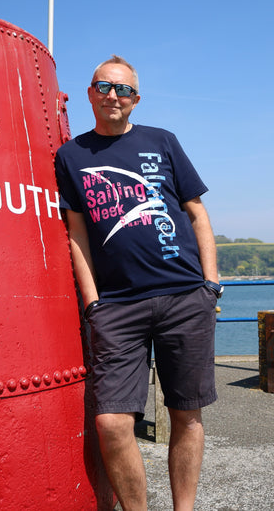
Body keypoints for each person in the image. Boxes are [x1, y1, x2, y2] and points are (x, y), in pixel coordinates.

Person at [54, 55, 222, 511]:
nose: (113, 96)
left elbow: (197, 214)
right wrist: (93, 304)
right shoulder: (71, 156)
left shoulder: (162, 141)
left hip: (186, 297)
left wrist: (211, 285)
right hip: (118, 308)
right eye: (103, 87)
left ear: (136, 99)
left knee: (186, 414)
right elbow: (76, 234)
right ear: (90, 92)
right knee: (111, 422)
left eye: (123, 89)